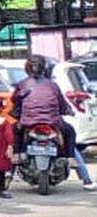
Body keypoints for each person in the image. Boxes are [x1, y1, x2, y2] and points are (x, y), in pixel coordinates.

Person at [11, 54, 95, 190]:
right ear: (45, 69)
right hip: (53, 122)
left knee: (16, 132)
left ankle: (14, 160)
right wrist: (68, 111)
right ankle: (73, 161)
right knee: (70, 133)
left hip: (28, 122)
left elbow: (15, 101)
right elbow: (62, 104)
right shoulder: (53, 85)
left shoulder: (23, 84)